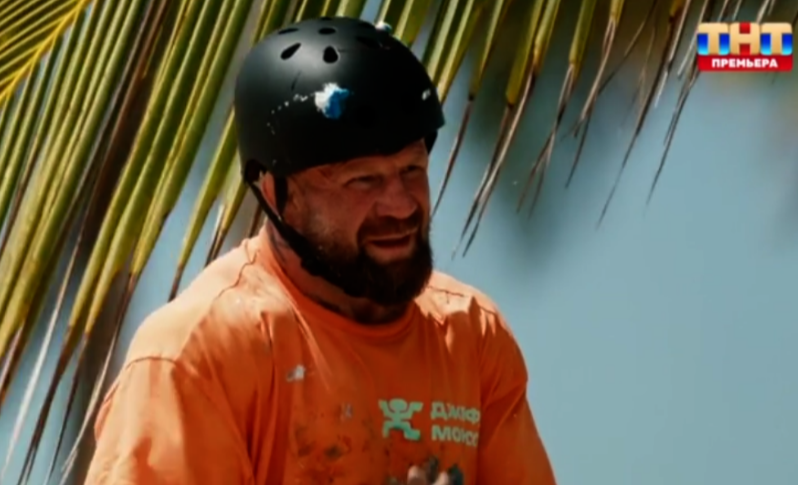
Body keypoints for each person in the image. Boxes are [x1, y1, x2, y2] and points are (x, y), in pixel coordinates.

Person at [84, 16, 556, 485]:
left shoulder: (470, 337)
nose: (400, 205)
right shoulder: (198, 355)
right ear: (276, 194)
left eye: (412, 169)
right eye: (362, 180)